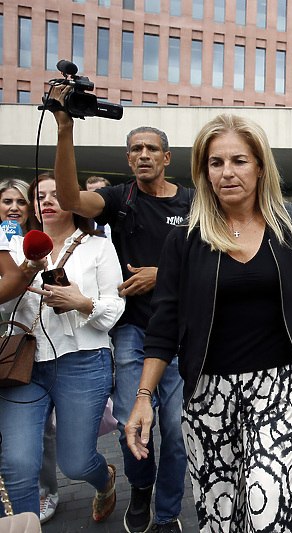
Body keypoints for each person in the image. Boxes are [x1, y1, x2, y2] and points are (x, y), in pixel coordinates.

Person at [125, 113, 292, 532]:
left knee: (270, 508)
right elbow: (164, 322)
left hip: (274, 388)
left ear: (260, 166)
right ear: (204, 172)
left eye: (239, 161)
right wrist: (144, 395)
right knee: (220, 512)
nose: (227, 173)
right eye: (216, 163)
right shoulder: (185, 238)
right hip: (208, 391)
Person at [50, 85, 193, 533]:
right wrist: (64, 128)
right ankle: (142, 490)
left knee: (174, 430)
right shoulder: (118, 199)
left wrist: (161, 274)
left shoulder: (193, 202)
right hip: (133, 332)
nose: (144, 154)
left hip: (183, 332)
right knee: (138, 421)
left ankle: (167, 512)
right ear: (129, 159)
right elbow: (72, 200)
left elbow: (214, 264)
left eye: (152, 149)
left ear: (166, 157)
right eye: (136, 149)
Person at [0, 173, 125, 523]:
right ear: (32, 207)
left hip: (83, 363)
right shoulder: (12, 249)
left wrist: (83, 303)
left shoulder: (97, 245)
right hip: (22, 366)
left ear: (72, 200)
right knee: (19, 464)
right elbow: (2, 308)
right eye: (40, 196)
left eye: (57, 194)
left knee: (76, 462)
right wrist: (24, 274)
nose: (49, 201)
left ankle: (106, 480)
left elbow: (114, 308)